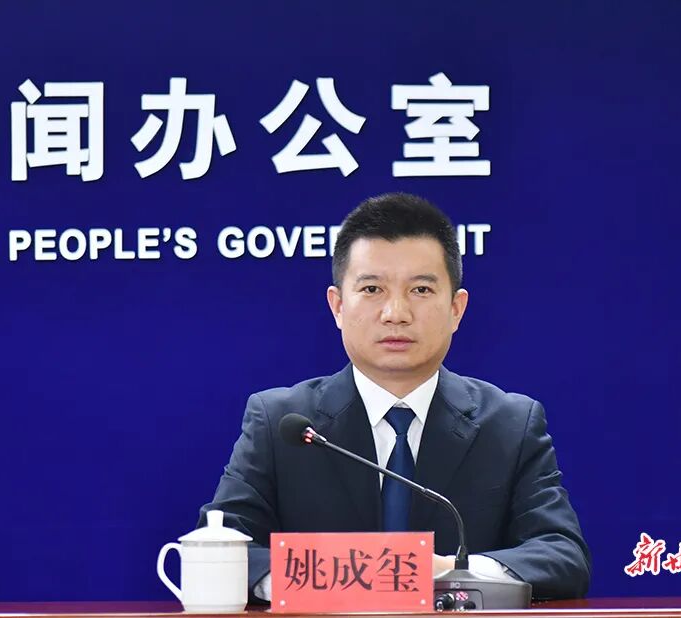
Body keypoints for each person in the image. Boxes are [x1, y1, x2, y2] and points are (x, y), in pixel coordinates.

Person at [199, 192, 590, 600]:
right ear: (337, 306)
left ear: (456, 309)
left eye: (420, 290)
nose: (396, 313)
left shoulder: (510, 425)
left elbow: (563, 556)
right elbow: (220, 549)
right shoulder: (282, 424)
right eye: (372, 289)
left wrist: (450, 571)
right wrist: (324, 580)